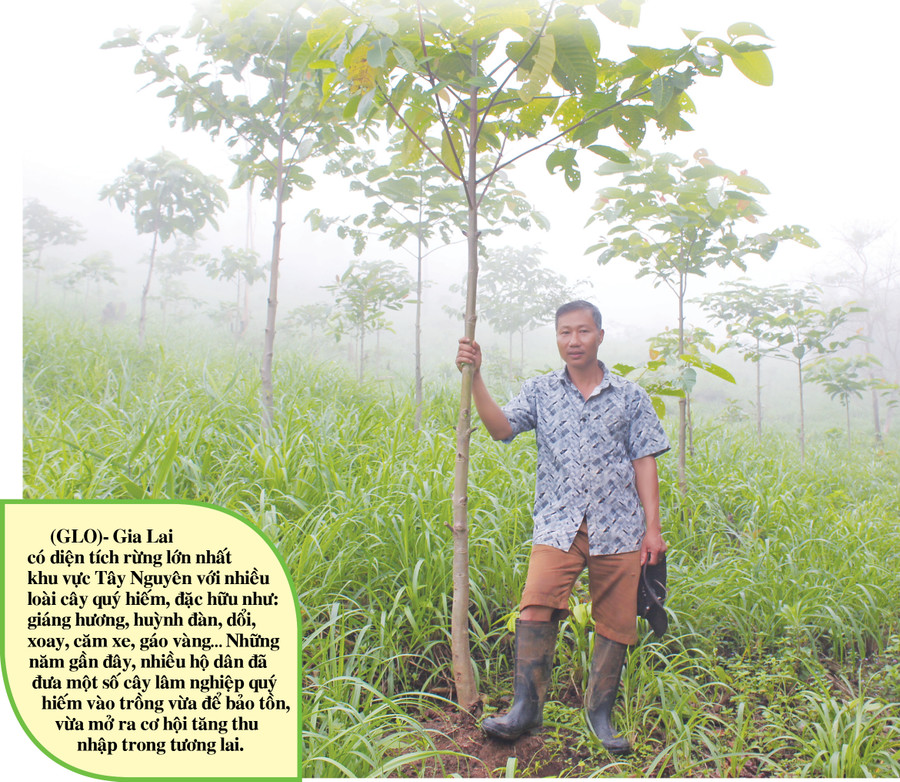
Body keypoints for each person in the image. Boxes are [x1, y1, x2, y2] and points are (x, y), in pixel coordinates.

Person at [455, 300, 669, 753]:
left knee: (616, 622)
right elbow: (500, 429)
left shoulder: (631, 396)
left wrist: (653, 528)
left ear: (600, 336)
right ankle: (525, 709)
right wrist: (475, 377)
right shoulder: (541, 391)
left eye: (583, 332)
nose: (573, 341)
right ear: (557, 338)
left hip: (620, 525)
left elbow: (644, 460)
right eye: (564, 333)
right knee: (535, 605)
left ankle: (600, 715)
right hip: (558, 523)